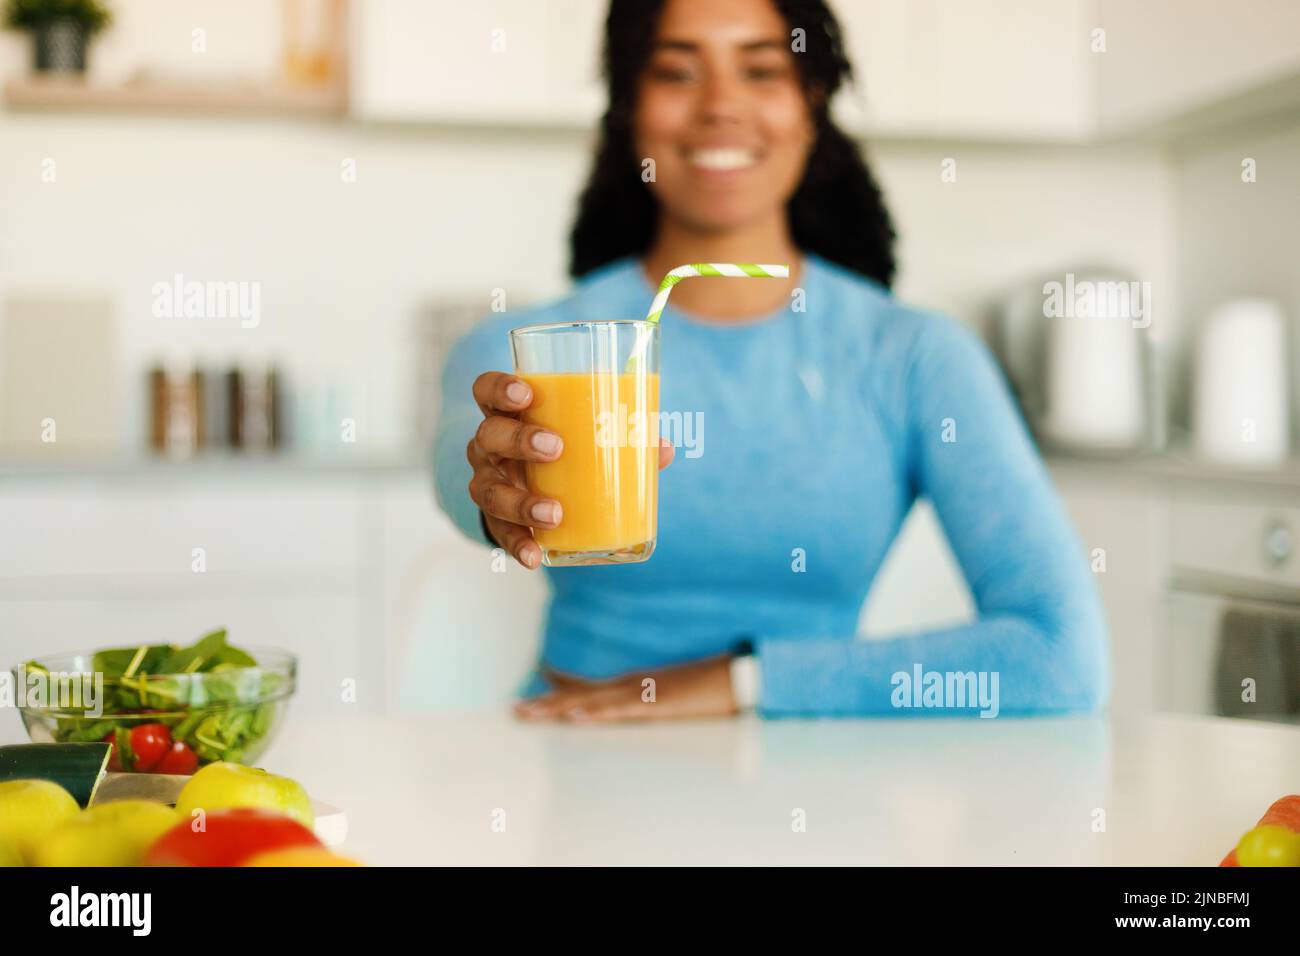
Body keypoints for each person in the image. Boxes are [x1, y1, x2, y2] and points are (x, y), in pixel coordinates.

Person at [433, 0, 1108, 721]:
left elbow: (1060, 657)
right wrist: (493, 485)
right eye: (676, 71)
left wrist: (742, 683)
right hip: (568, 747)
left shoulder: (915, 356)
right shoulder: (528, 350)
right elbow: (458, 472)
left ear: (811, 105)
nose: (721, 105)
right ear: (629, 108)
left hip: (816, 783)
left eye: (761, 69)